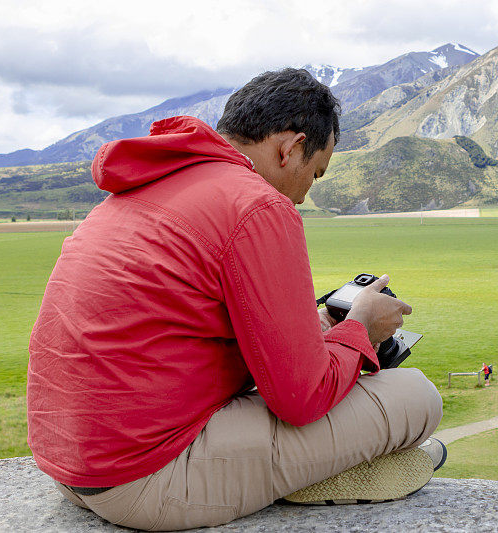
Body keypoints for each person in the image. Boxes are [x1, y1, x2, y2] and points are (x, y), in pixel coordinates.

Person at [26, 69, 444, 531]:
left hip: (71, 467)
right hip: (145, 480)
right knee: (417, 396)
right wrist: (360, 327)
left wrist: (315, 330)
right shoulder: (257, 204)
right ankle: (318, 475)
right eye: (315, 173)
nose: (306, 194)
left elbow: (178, 333)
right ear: (290, 148)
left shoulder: (147, 185)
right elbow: (302, 400)